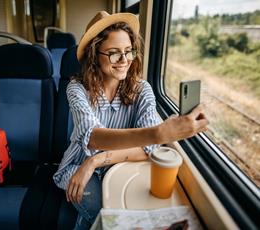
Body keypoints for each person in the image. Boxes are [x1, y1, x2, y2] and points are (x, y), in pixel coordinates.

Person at [53, 11, 208, 230]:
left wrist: (96, 161)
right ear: (95, 55)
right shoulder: (76, 88)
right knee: (104, 212)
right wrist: (160, 132)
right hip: (78, 165)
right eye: (114, 54)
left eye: (129, 51)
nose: (124, 60)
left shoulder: (142, 89)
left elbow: (149, 149)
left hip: (119, 165)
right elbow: (93, 137)